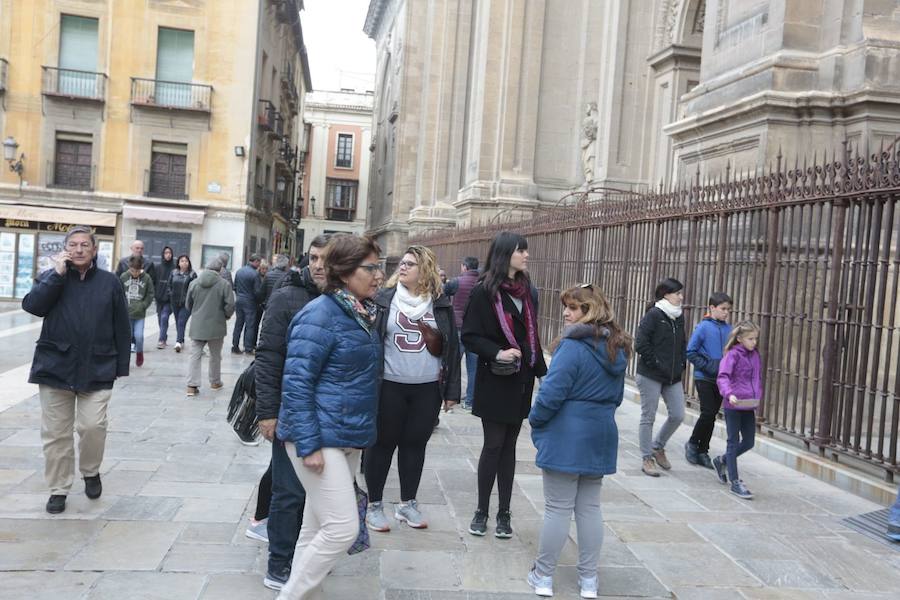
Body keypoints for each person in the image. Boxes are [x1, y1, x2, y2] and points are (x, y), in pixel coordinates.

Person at [275, 234, 382, 599]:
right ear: (346, 271)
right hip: (319, 437)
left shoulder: (360, 313)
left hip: (346, 435)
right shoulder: (319, 315)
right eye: (371, 268)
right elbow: (296, 383)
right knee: (340, 529)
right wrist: (308, 445)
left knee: (314, 528)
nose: (379, 275)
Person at [527, 284, 631, 599]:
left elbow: (551, 393)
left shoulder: (572, 347)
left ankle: (543, 576)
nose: (566, 313)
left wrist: (535, 419)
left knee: (557, 508)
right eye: (567, 307)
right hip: (600, 432)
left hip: (567, 434)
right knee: (589, 508)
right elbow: (616, 397)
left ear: (590, 311)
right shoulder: (617, 347)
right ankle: (589, 581)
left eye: (573, 308)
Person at [22, 225, 131, 514]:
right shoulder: (52, 278)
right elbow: (33, 306)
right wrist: (56, 276)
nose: (80, 249)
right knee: (56, 434)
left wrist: (121, 366)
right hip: (55, 367)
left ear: (95, 250)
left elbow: (122, 325)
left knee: (92, 426)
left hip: (98, 366)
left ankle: (90, 470)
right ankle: (58, 489)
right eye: (74, 245)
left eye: (85, 245)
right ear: (66, 249)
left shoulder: (110, 282)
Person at [251, 235, 329, 591]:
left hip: (329, 414)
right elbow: (267, 357)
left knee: (323, 494)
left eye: (325, 259)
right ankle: (279, 563)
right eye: (313, 258)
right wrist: (267, 413)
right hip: (290, 411)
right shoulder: (286, 297)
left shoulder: (349, 301)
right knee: (288, 492)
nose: (317, 265)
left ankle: (311, 556)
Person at [365, 246, 461, 532]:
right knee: (382, 445)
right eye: (402, 264)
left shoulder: (440, 304)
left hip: (427, 388)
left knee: (415, 445)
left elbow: (453, 348)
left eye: (410, 264)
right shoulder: (383, 300)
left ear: (426, 270)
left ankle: (408, 503)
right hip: (389, 386)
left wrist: (452, 391)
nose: (402, 268)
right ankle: (374, 505)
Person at [462, 231, 547, 538]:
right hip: (496, 378)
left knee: (510, 447)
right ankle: (482, 510)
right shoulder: (485, 290)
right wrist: (496, 351)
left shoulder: (529, 291)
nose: (526, 255)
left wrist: (542, 374)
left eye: (525, 250)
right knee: (493, 445)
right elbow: (469, 335)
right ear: (504, 254)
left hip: (521, 380)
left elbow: (532, 336)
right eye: (520, 250)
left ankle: (504, 512)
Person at [634, 277, 687, 477]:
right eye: (677, 293)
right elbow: (640, 343)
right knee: (648, 416)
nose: (681, 297)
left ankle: (658, 446)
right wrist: (657, 363)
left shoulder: (679, 316)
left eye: (681, 293)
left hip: (672, 376)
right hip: (651, 374)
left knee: (678, 415)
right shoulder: (654, 315)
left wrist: (681, 363)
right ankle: (647, 458)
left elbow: (682, 343)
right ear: (666, 295)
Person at [713, 320, 761, 500]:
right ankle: (735, 482)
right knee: (733, 441)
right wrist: (729, 394)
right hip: (733, 404)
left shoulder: (755, 355)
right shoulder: (732, 355)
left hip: (748, 404)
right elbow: (723, 377)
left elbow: (757, 378)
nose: (754, 342)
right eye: (750, 339)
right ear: (739, 339)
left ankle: (722, 460)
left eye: (756, 338)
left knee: (749, 441)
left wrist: (757, 396)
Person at [684, 292, 733, 469]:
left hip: (721, 380)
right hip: (704, 377)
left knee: (712, 415)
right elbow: (690, 351)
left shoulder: (729, 330)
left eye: (728, 309)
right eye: (723, 309)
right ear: (712, 308)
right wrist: (708, 366)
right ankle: (692, 443)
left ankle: (703, 450)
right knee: (707, 412)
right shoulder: (703, 327)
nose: (726, 312)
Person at [185, 257, 235, 396]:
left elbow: (188, 304)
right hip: (216, 324)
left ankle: (191, 385)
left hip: (197, 324)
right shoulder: (224, 284)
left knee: (194, 355)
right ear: (220, 269)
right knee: (215, 356)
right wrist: (225, 315)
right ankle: (215, 381)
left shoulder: (194, 283)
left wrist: (196, 313)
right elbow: (230, 305)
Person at [444, 256, 480, 409]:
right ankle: (470, 401)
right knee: (474, 368)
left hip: (458, 328)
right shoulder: (482, 283)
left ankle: (448, 396)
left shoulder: (457, 282)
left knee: (451, 364)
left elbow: (442, 294)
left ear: (464, 267)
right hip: (476, 330)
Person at [119, 256, 155, 368]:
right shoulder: (124, 277)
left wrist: (143, 305)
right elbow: (119, 292)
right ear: (129, 268)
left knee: (138, 336)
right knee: (127, 337)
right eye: (133, 270)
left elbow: (150, 294)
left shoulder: (147, 278)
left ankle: (139, 352)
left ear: (141, 268)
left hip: (139, 314)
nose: (135, 273)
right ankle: (125, 358)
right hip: (126, 313)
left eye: (137, 271)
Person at [165, 255, 196, 353]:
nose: (184, 263)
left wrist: (190, 298)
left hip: (186, 303)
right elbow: (169, 285)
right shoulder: (174, 273)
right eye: (182, 261)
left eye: (186, 261)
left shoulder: (192, 274)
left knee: (181, 321)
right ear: (178, 263)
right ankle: (181, 340)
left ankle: (178, 342)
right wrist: (171, 294)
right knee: (178, 321)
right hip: (174, 301)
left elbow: (196, 287)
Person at [232, 254, 263, 354]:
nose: (259, 265)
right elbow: (257, 292)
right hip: (250, 302)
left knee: (238, 324)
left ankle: (235, 345)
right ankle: (248, 347)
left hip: (239, 300)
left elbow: (235, 286)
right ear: (256, 261)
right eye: (259, 262)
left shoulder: (239, 271)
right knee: (250, 325)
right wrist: (259, 301)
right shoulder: (255, 274)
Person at [155, 246, 176, 348]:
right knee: (160, 319)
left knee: (164, 317)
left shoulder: (175, 268)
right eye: (166, 253)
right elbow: (153, 282)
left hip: (169, 299)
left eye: (170, 253)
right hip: (159, 299)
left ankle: (161, 340)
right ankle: (164, 335)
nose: (168, 255)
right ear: (163, 254)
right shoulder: (157, 267)